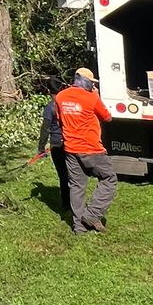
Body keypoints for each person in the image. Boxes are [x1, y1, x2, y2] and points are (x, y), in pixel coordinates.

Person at [55, 67, 117, 233]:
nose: (93, 86)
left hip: (70, 149)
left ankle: (79, 227)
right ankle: (92, 214)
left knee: (76, 186)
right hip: (91, 149)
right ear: (86, 81)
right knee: (109, 179)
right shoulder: (91, 98)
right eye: (92, 83)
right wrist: (96, 96)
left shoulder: (60, 97)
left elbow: (60, 120)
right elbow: (107, 117)